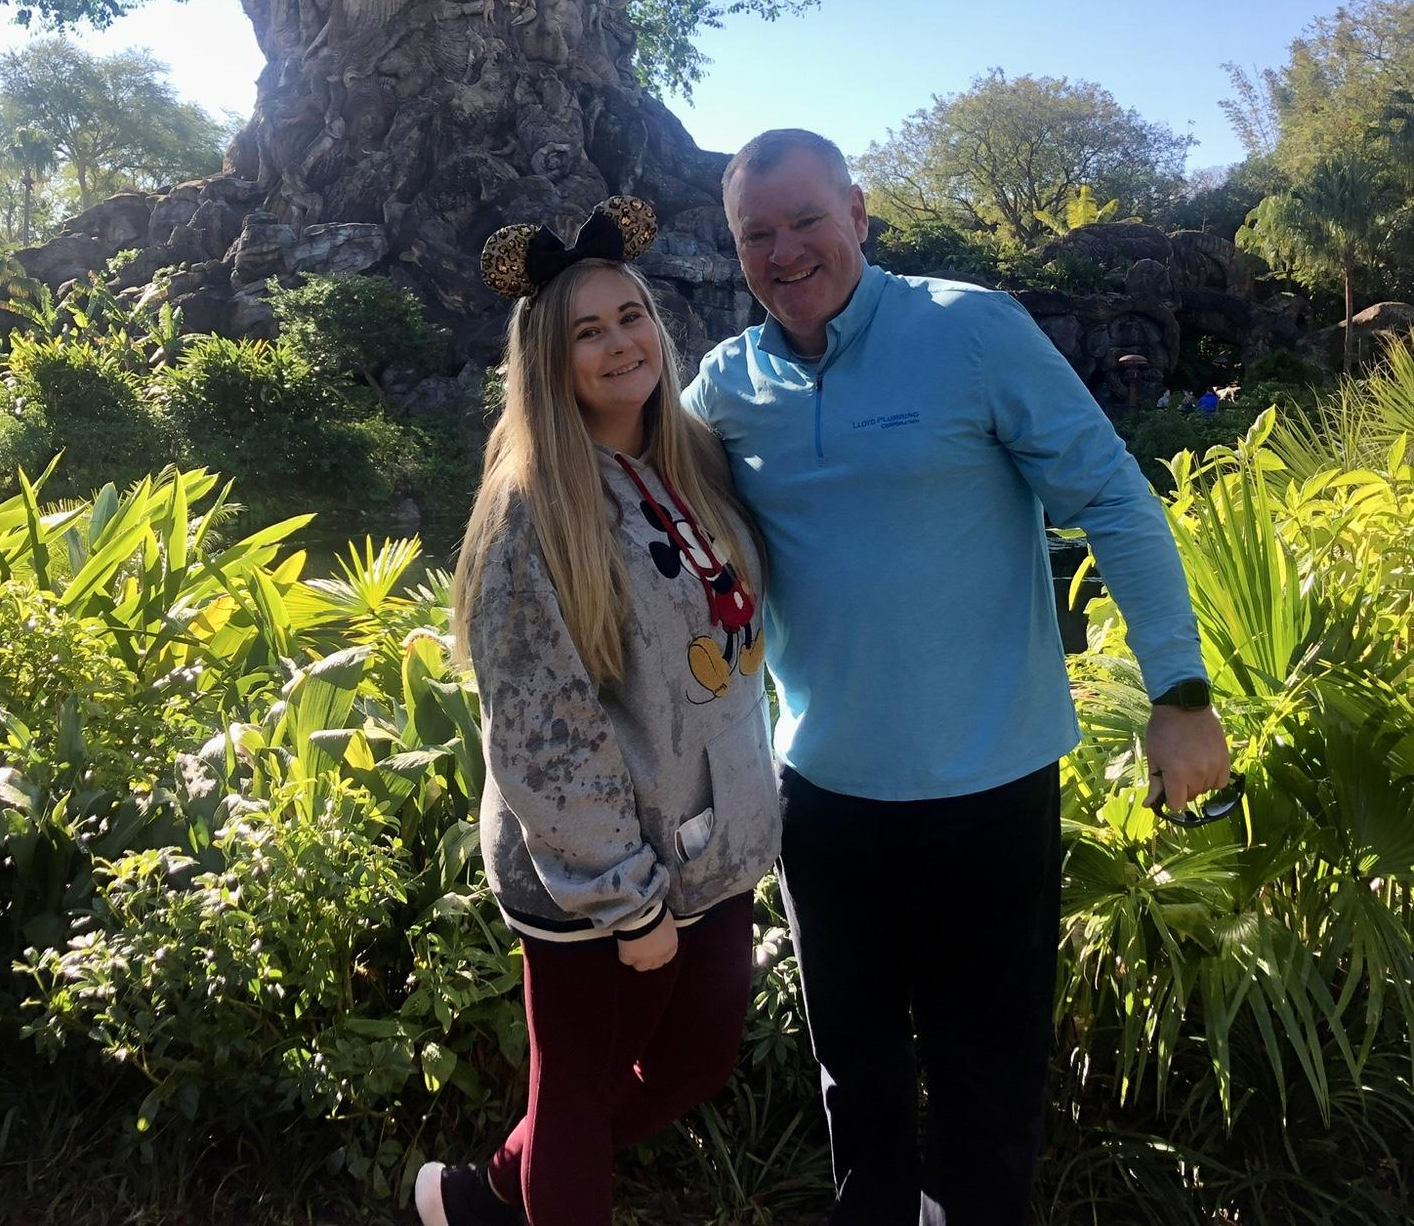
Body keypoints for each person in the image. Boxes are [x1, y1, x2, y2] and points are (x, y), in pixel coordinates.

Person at [684, 130, 1231, 1226]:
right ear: (736, 250)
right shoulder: (726, 389)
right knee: (857, 1076)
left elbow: (1115, 502)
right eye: (757, 234)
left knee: (988, 1086)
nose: (785, 251)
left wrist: (1179, 695)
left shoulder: (971, 330)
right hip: (825, 795)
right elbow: (638, 513)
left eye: (805, 221)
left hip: (988, 786)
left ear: (860, 214)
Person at [418, 196, 780, 1226]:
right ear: (549, 360)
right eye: (589, 330)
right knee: (574, 1099)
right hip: (595, 878)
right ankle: (530, 1186)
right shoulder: (536, 512)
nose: (623, 343)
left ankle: (490, 1190)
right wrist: (626, 900)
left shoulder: (688, 461)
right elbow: (541, 735)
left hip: (711, 849)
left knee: (699, 1059)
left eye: (632, 317)